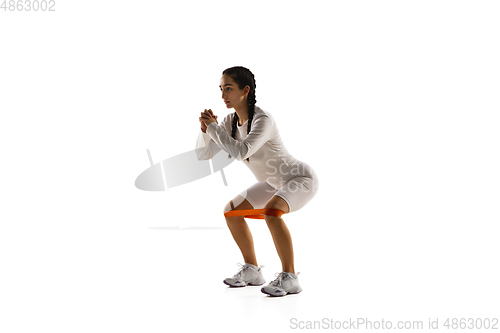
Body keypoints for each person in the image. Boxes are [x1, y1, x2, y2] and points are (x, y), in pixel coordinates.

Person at [196, 66, 319, 297]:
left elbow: (242, 151)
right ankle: (252, 270)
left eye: (229, 89)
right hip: (273, 182)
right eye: (221, 89)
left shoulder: (263, 119)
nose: (223, 96)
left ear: (246, 90)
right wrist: (205, 130)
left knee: (272, 212)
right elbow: (204, 155)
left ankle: (290, 278)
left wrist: (213, 128)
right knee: (231, 211)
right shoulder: (230, 122)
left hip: (299, 178)